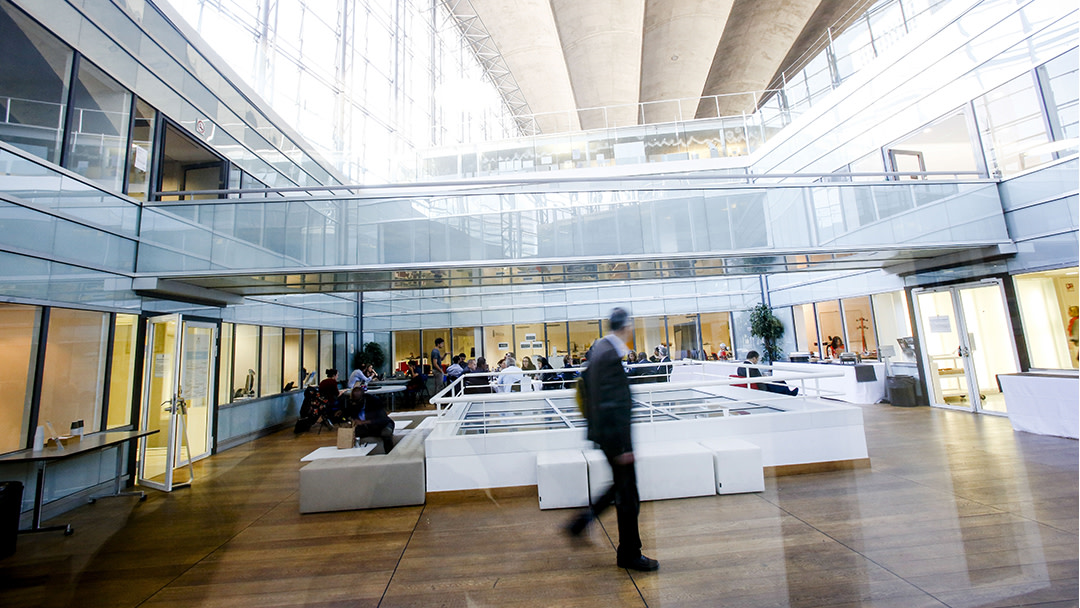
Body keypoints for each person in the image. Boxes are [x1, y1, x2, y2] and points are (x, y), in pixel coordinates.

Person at [565, 308, 658, 572]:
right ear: (626, 327)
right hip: (615, 441)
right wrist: (623, 447)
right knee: (628, 495)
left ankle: (579, 524)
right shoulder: (608, 355)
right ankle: (629, 554)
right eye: (631, 326)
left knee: (621, 489)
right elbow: (610, 405)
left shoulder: (602, 350)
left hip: (609, 439)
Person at [353, 387, 395, 454]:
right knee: (356, 433)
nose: (356, 402)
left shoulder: (374, 402)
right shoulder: (355, 405)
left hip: (383, 425)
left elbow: (382, 419)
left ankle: (390, 453)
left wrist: (364, 422)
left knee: (386, 433)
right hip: (367, 427)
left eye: (358, 400)